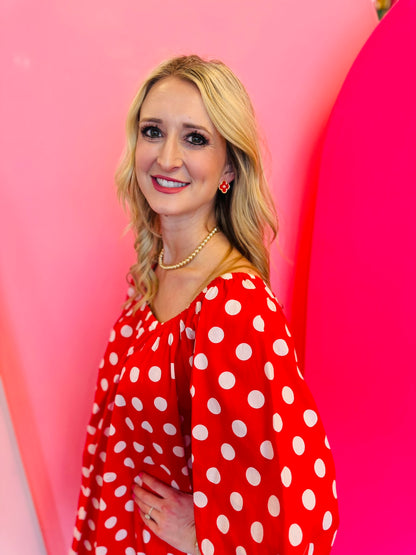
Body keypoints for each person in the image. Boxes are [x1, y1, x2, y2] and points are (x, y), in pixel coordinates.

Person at [71, 55, 339, 555]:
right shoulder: (153, 277)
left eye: (195, 138)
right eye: (153, 131)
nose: (167, 157)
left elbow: (303, 500)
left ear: (229, 167)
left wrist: (204, 537)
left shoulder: (235, 305)